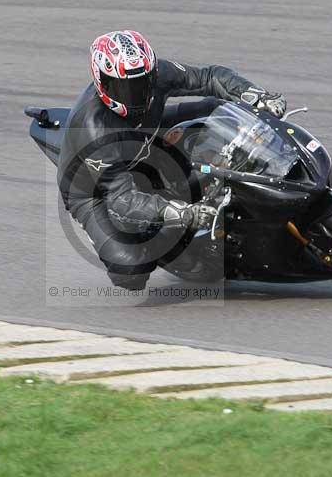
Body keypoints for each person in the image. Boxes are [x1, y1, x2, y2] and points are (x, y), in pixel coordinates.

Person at [57, 30, 286, 290]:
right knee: (130, 271)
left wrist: (254, 94)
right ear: (101, 82)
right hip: (96, 191)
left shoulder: (157, 74)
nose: (136, 93)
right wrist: (182, 214)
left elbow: (208, 77)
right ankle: (169, 246)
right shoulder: (94, 130)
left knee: (212, 108)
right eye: (123, 87)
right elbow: (122, 199)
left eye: (142, 83)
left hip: (145, 133)